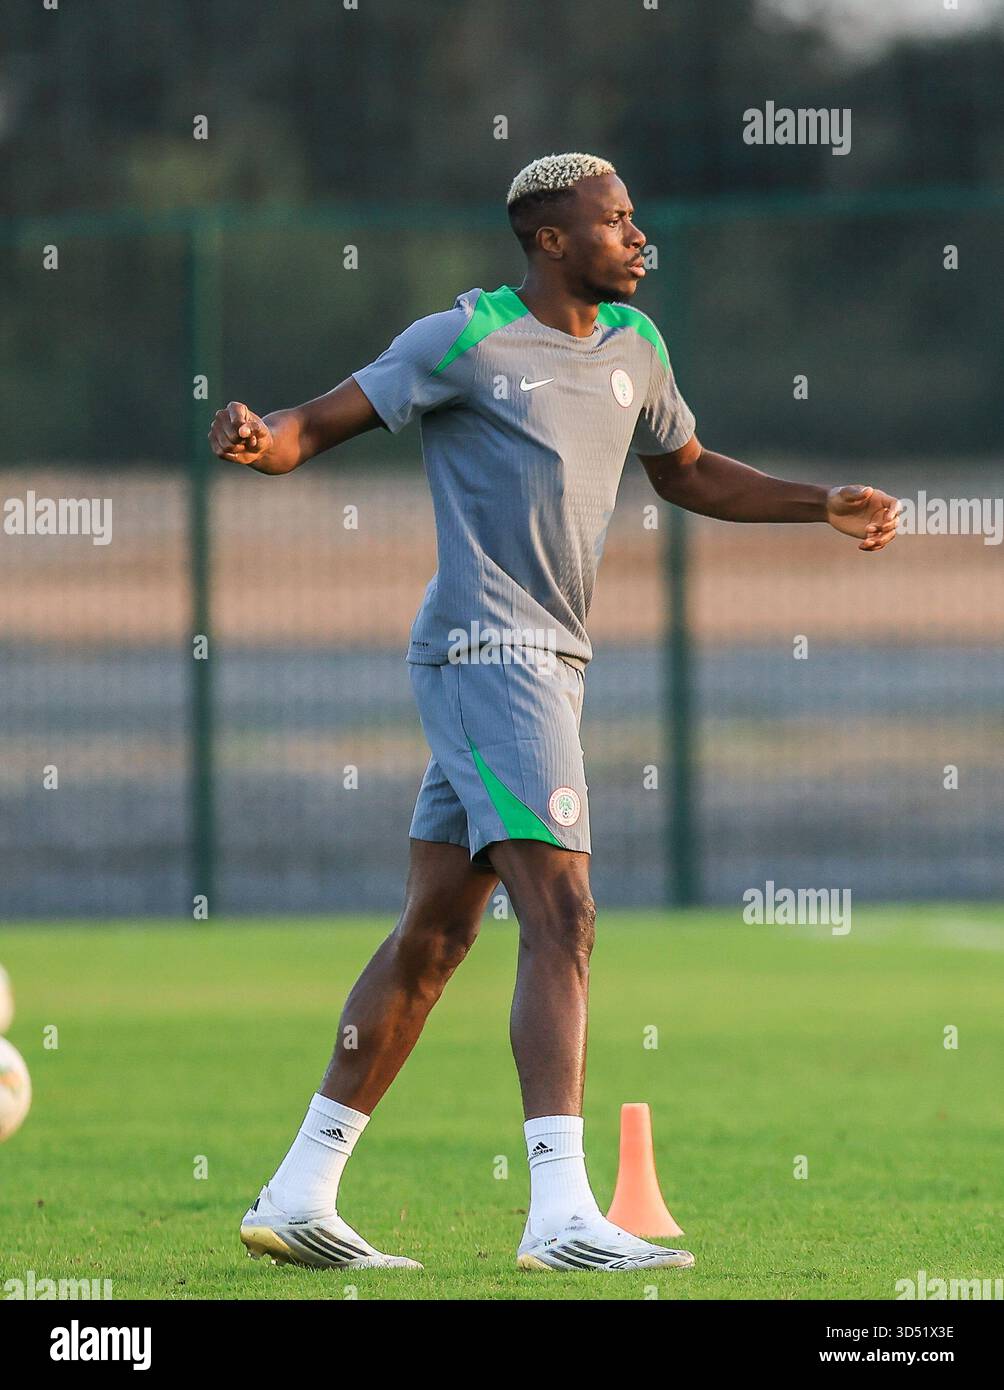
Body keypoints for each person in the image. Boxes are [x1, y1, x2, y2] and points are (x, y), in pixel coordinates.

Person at [209, 152, 900, 1273]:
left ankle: (298, 1191)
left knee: (437, 932)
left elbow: (681, 470)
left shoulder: (637, 349)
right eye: (614, 222)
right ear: (547, 240)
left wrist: (812, 501)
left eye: (634, 219)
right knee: (564, 912)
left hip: (547, 664)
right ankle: (560, 1213)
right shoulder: (461, 339)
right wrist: (259, 439)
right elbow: (310, 427)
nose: (636, 238)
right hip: (488, 651)